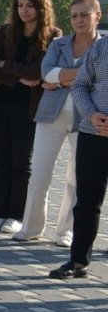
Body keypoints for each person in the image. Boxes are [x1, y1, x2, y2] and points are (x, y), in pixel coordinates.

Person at [15, 0, 101, 245]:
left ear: (98, 16)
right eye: (74, 16)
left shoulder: (102, 48)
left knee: (75, 179)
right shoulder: (59, 44)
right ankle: (30, 228)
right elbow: (46, 74)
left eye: (85, 15)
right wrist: (79, 78)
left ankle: (65, 232)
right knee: (39, 175)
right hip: (49, 115)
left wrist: (61, 78)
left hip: (85, 119)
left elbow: (98, 79)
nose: (79, 20)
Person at [0, 0, 60, 235]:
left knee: (21, 163)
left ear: (41, 7)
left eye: (29, 5)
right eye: (20, 5)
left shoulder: (52, 35)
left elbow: (40, 71)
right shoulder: (6, 32)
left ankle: (16, 215)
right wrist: (18, 78)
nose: (24, 10)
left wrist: (8, 65)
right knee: (1, 161)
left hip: (28, 108)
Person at [49, 15, 108, 279]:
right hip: (92, 133)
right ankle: (78, 261)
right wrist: (91, 115)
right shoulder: (100, 47)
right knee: (86, 202)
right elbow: (81, 85)